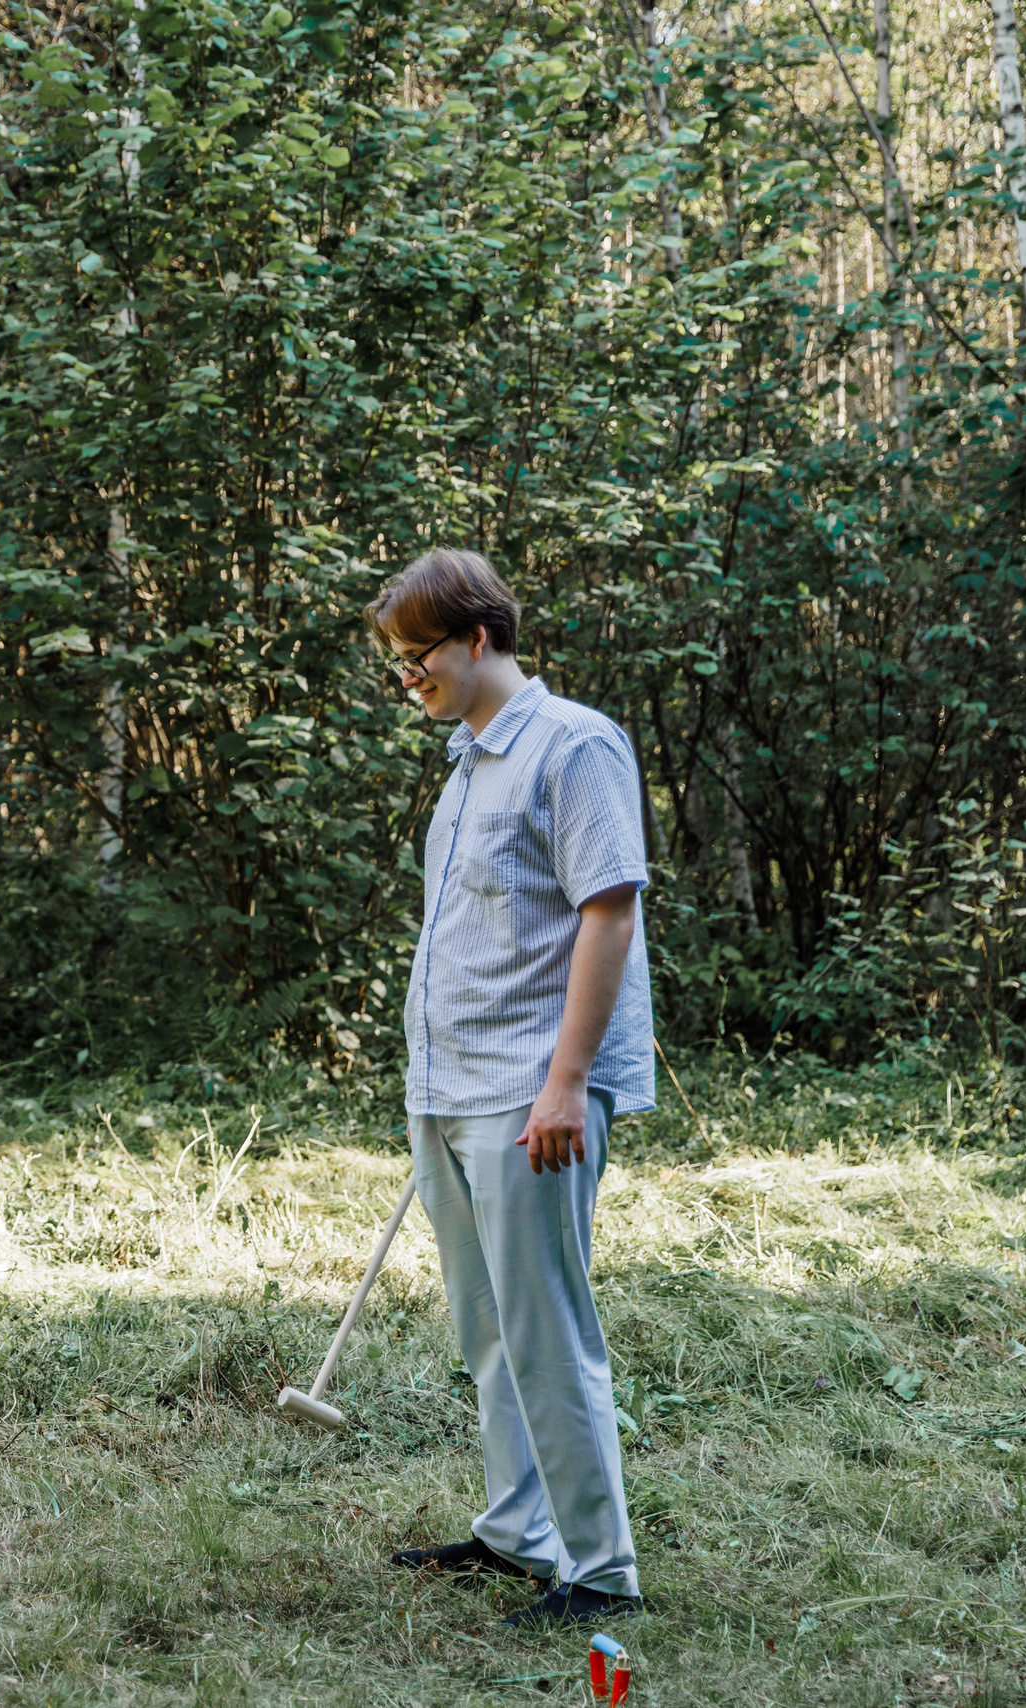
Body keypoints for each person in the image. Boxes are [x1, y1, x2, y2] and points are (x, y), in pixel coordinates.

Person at [370, 549, 651, 1628]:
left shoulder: (574, 744)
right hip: (451, 1087)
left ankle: (598, 1566)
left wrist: (564, 1085)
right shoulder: (466, 760)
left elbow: (607, 912)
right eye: (397, 662)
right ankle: (515, 1528)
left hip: (533, 1092)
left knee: (545, 1328)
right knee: (486, 1328)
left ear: (475, 637)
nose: (408, 676)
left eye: (416, 655)